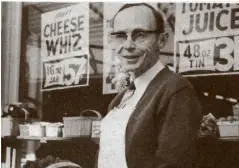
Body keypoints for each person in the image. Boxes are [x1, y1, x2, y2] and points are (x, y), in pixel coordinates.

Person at [98, 3, 202, 168]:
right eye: (120, 36)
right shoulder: (121, 98)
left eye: (139, 35)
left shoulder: (176, 91)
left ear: (162, 40)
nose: (128, 45)